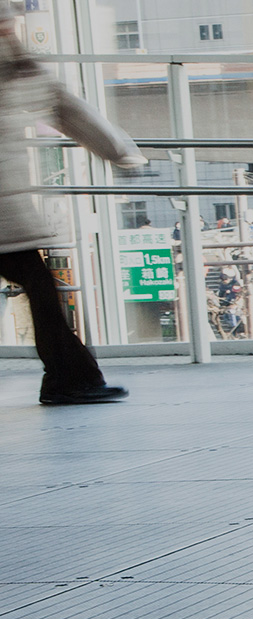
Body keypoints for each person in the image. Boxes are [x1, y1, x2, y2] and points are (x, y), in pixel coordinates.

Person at [1, 4, 147, 405]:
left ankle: (71, 377)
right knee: (41, 288)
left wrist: (119, 151)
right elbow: (62, 102)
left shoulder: (16, 65)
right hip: (3, 215)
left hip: (5, 214)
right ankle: (70, 379)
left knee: (41, 287)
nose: (10, 28)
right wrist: (120, 153)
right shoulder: (15, 65)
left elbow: (63, 104)